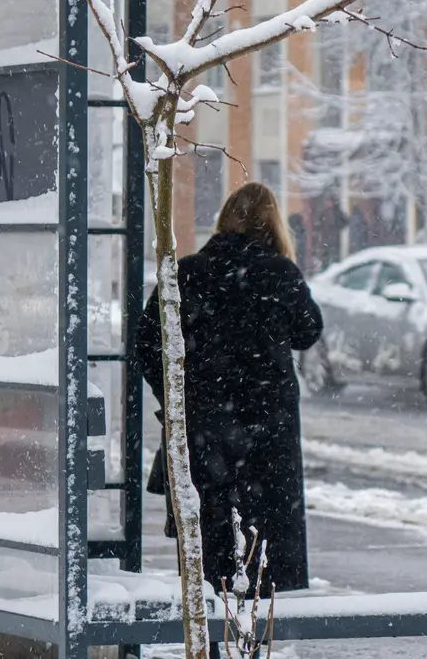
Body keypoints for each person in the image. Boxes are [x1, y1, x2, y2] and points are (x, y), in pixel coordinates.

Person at [138, 182, 323, 659]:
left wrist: (177, 400)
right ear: (272, 224)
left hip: (205, 436)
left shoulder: (188, 272)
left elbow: (146, 343)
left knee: (208, 554)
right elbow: (309, 331)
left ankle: (210, 648)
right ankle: (253, 647)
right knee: (262, 559)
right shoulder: (278, 274)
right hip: (267, 440)